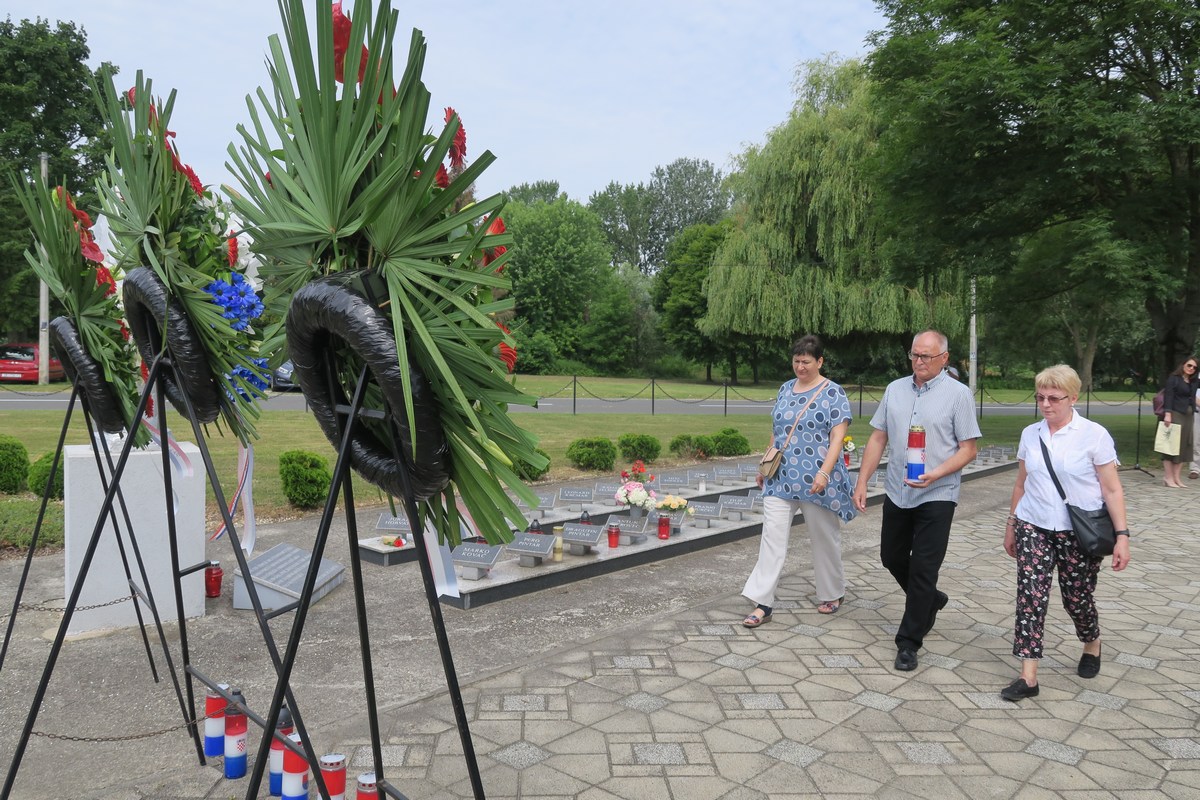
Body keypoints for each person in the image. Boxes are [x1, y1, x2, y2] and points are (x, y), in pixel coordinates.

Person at [999, 364, 1131, 701]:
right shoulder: (1031, 434)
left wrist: (1122, 537)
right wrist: (1012, 525)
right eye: (1040, 397)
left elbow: (1112, 490)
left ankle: (1092, 641)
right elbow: (1021, 483)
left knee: (1077, 599)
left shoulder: (1094, 435)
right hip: (1033, 525)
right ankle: (1028, 677)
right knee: (1030, 597)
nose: (1045, 404)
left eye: (1054, 398)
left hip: (1078, 530)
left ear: (1073, 398)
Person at [851, 330, 980, 671]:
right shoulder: (895, 389)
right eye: (914, 355)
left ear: (944, 358)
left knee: (924, 568)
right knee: (891, 556)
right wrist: (862, 481)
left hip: (937, 493)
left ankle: (908, 642)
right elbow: (879, 437)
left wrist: (937, 474)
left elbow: (969, 449)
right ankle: (931, 600)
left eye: (926, 356)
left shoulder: (958, 395)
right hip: (898, 489)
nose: (919, 362)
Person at [743, 335, 857, 627]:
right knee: (772, 538)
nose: (800, 366)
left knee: (824, 539)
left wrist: (824, 472)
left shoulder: (833, 393)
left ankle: (832, 592)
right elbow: (778, 430)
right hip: (780, 479)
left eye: (806, 361)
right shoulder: (784, 389)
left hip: (817, 481)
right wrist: (765, 464)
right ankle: (762, 603)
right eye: (796, 361)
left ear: (820, 361)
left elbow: (837, 438)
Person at [1160, 356, 1197, 488]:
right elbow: (1168, 396)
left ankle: (1177, 478)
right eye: (1189, 365)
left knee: (1184, 446)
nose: (1191, 368)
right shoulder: (1174, 379)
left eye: (1194, 367)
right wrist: (1168, 414)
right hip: (1175, 414)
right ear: (1183, 365)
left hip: (1188, 415)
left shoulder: (1193, 381)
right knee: (1171, 446)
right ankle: (1168, 477)